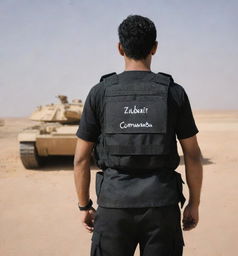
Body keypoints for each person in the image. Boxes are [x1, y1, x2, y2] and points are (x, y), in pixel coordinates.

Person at [74, 14, 203, 256]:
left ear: (120, 48)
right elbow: (193, 155)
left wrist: (85, 206)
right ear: (154, 47)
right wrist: (194, 203)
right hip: (162, 208)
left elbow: (81, 159)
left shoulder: (100, 93)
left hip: (113, 207)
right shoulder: (174, 93)